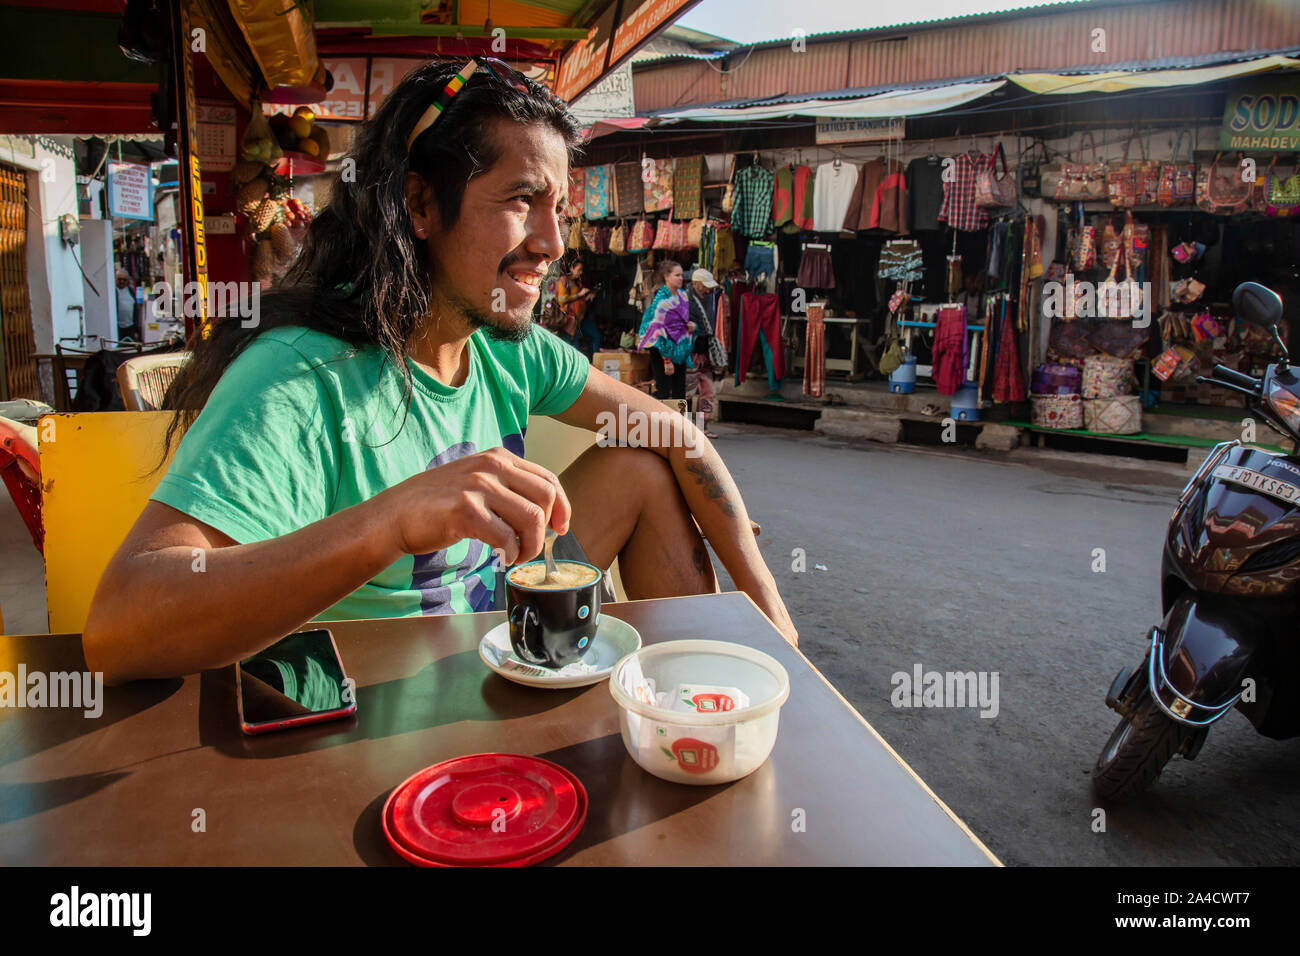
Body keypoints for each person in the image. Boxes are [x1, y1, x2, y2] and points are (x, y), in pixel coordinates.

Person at [82, 56, 797, 684]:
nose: (551, 243)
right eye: (522, 200)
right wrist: (390, 521)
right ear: (421, 204)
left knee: (642, 464)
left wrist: (764, 604)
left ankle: (692, 697)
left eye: (558, 209)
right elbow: (121, 626)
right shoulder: (302, 375)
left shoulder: (508, 345)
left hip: (497, 641)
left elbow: (675, 432)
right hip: (386, 701)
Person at [638, 259, 693, 400]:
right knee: (664, 389)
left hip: (677, 346)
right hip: (660, 347)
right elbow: (658, 331)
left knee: (679, 389)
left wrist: (689, 326)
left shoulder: (683, 295)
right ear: (666, 277)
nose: (681, 278)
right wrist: (667, 360)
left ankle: (679, 421)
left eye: (681, 275)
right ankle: (663, 421)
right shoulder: (661, 299)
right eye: (677, 275)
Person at [685, 268, 721, 439]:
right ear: (695, 284)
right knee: (687, 392)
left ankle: (702, 426)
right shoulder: (685, 299)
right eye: (704, 286)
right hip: (690, 353)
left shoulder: (708, 299)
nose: (707, 290)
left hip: (704, 352)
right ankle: (683, 428)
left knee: (708, 391)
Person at [554, 258, 600, 357]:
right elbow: (561, 299)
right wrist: (580, 294)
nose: (581, 272)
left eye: (582, 270)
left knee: (595, 336)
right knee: (570, 348)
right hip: (569, 320)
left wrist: (587, 297)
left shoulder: (577, 282)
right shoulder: (564, 280)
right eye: (579, 270)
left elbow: (578, 301)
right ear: (571, 268)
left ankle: (595, 362)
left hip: (579, 319)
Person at [114, 268, 138, 342]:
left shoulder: (131, 290)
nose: (122, 281)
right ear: (115, 279)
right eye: (119, 279)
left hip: (130, 327)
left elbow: (136, 308)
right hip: (117, 328)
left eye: (124, 279)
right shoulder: (113, 291)